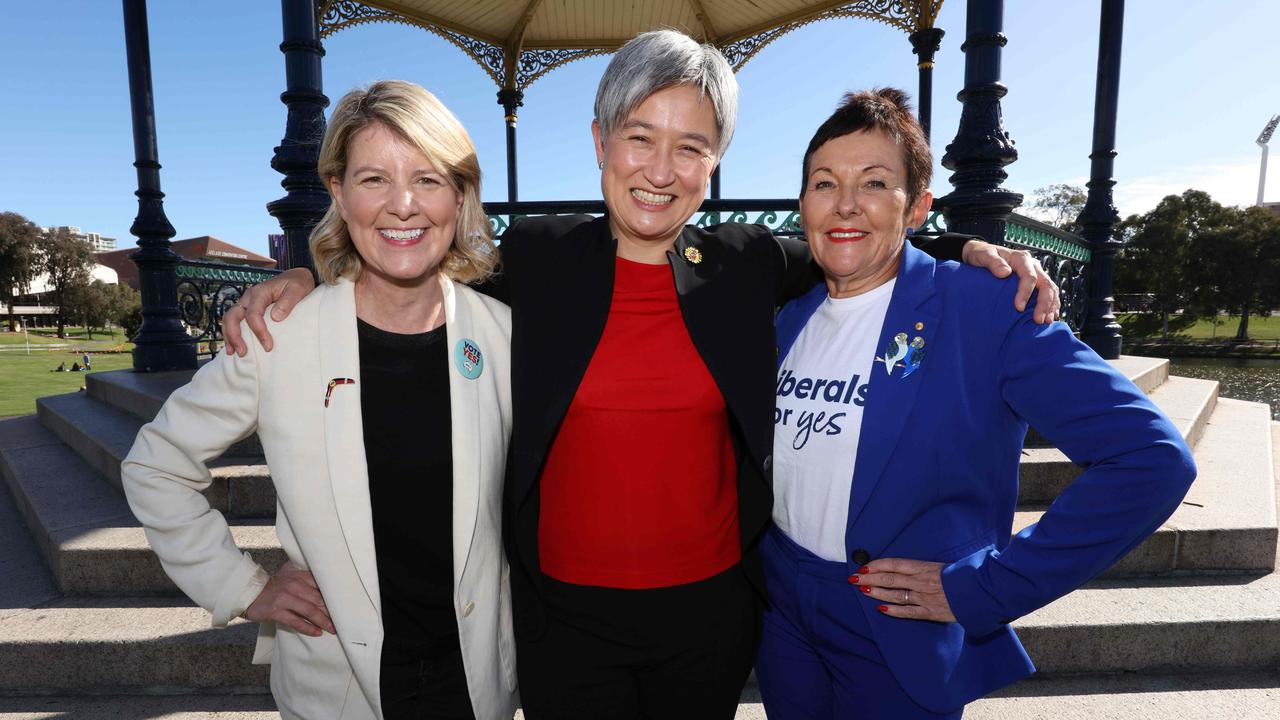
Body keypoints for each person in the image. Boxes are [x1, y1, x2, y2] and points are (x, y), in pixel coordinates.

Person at [223, 31, 1060, 719]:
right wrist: (309, 274)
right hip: (562, 624)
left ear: (714, 162)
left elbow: (859, 243)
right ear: (600, 142)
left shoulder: (745, 264)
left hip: (709, 618)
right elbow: (405, 258)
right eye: (639, 138)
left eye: (690, 147)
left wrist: (960, 249)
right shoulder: (540, 259)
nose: (660, 170)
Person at [756, 88, 1196, 719]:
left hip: (895, 629)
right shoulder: (787, 317)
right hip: (786, 619)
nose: (846, 203)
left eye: (875, 182)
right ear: (803, 204)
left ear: (917, 208)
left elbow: (1152, 459)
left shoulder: (987, 309)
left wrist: (984, 587)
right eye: (825, 183)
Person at [121, 81, 517, 720]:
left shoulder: (503, 336)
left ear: (461, 194)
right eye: (373, 180)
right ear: (337, 191)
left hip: (476, 686)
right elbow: (154, 466)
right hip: (337, 688)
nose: (403, 206)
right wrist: (243, 588)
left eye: (428, 179)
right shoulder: (281, 334)